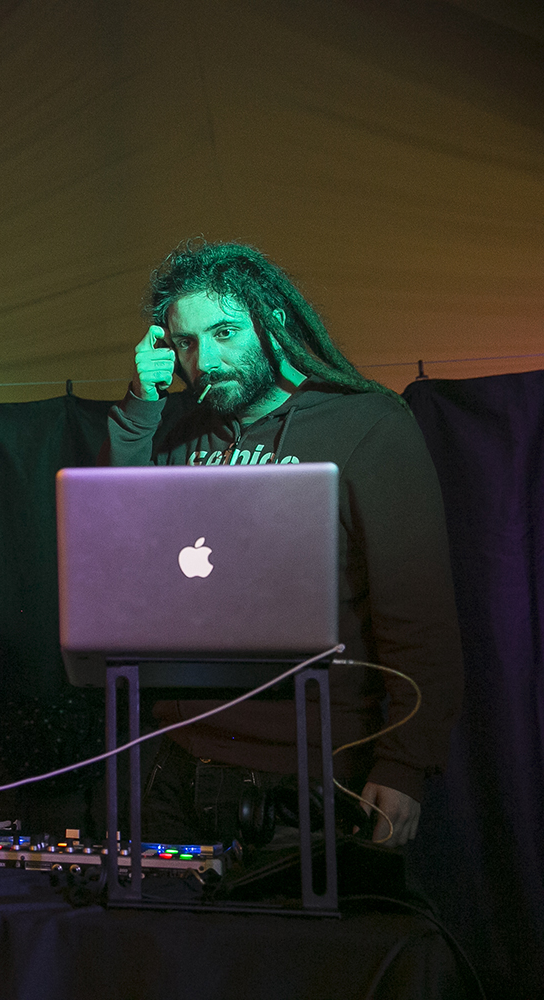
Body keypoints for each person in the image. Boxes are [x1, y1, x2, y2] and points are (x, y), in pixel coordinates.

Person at [104, 239, 463, 846]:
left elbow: (417, 615)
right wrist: (142, 404)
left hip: (308, 776)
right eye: (186, 342)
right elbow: (115, 533)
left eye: (224, 333)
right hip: (176, 761)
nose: (205, 360)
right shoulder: (180, 433)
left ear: (273, 321)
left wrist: (405, 763)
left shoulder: (368, 425)